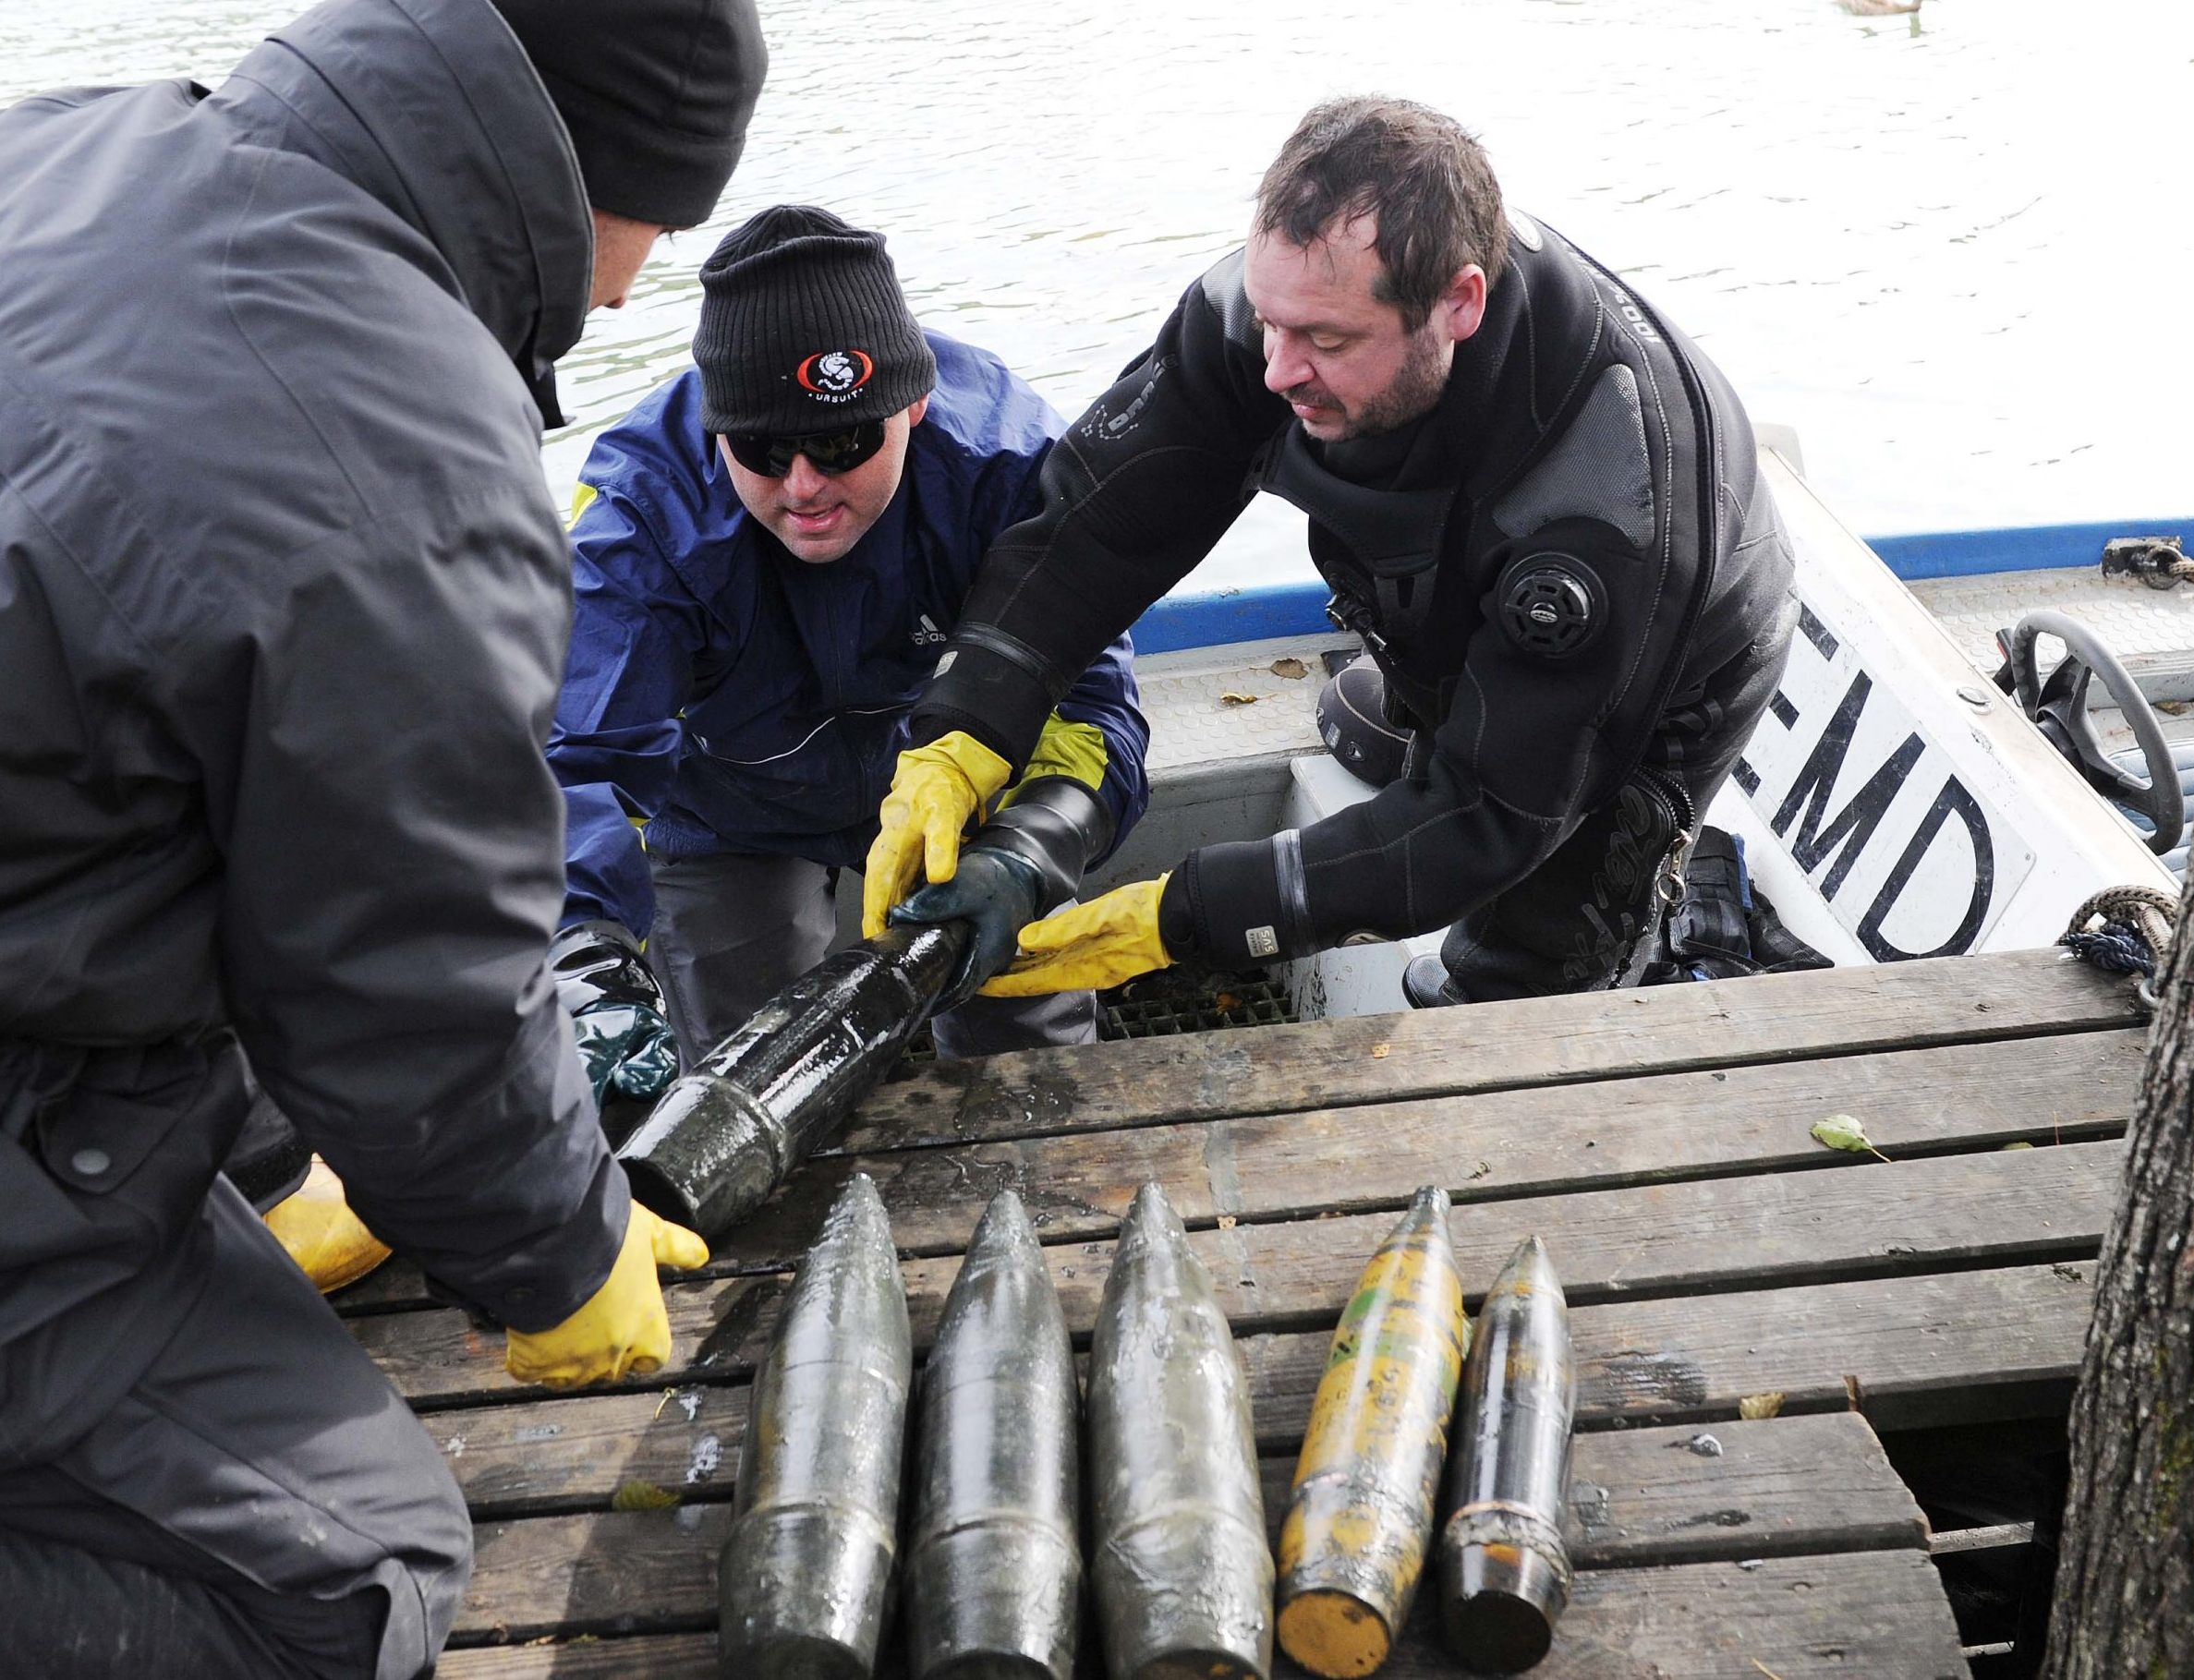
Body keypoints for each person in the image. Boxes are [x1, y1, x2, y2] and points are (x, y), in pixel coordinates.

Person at [0, 0, 765, 1673]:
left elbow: (122, 748)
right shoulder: (391, 435)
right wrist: (558, 1250)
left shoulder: (66, 142)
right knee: (351, 1587)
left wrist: (274, 1156)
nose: (623, 295)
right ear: (590, 173)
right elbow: (410, 959)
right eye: (657, 230)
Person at [863, 96, 1797, 1007]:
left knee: (1531, 965)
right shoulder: (1290, 306)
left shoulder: (1609, 506)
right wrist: (962, 730)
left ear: (1458, 302)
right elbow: (1095, 528)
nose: (1276, 369)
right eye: (1270, 321)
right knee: (1402, 722)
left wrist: (1178, 918)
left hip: (1669, 657)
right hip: (1446, 570)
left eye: (1324, 339)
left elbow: (1486, 817)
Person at [548, 205, 1149, 1071]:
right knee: (748, 1065)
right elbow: (575, 761)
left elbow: (1088, 705)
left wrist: (1029, 847)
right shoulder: (643, 512)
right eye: (760, 450)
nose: (802, 487)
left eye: (839, 442)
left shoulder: (1014, 468)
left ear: (915, 403)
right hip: (727, 812)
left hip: (964, 784)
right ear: (716, 427)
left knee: (1026, 1053)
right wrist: (585, 964)